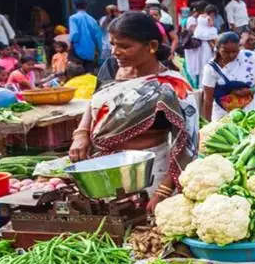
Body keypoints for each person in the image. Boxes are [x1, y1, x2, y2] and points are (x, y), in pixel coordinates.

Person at [70, 12, 198, 210]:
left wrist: (163, 191)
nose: (115, 52)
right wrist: (81, 134)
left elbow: (188, 143)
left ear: (152, 46)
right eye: (112, 44)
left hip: (148, 173)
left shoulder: (173, 86)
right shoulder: (111, 67)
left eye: (124, 46)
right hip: (102, 168)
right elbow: (95, 100)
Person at [201, 32, 255, 121]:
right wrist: (207, 124)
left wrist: (251, 90)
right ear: (217, 48)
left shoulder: (251, 58)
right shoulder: (211, 68)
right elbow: (208, 99)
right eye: (226, 52)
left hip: (251, 112)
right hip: (224, 115)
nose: (231, 55)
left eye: (235, 51)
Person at [69, 0, 104, 69]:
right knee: (89, 71)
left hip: (77, 49)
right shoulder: (92, 19)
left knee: (76, 71)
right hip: (90, 51)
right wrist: (99, 50)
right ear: (86, 6)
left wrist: (71, 44)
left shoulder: (73, 18)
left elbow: (74, 34)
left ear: (75, 6)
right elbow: (98, 37)